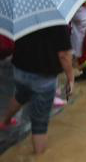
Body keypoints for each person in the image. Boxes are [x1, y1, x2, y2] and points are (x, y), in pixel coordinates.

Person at [0, 26, 74, 154]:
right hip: (43, 78)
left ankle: (4, 121)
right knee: (39, 124)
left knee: (21, 95)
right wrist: (70, 78)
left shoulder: (22, 15)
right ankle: (38, 156)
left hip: (20, 70)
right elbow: (64, 55)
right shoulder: (57, 23)